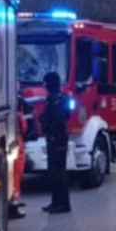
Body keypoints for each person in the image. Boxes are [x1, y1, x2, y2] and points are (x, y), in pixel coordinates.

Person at [41, 72, 72, 215]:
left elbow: (60, 119)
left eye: (46, 83)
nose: (45, 86)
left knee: (59, 173)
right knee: (53, 172)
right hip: (52, 138)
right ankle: (55, 202)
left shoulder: (60, 100)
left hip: (58, 139)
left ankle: (63, 204)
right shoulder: (52, 99)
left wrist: (51, 132)